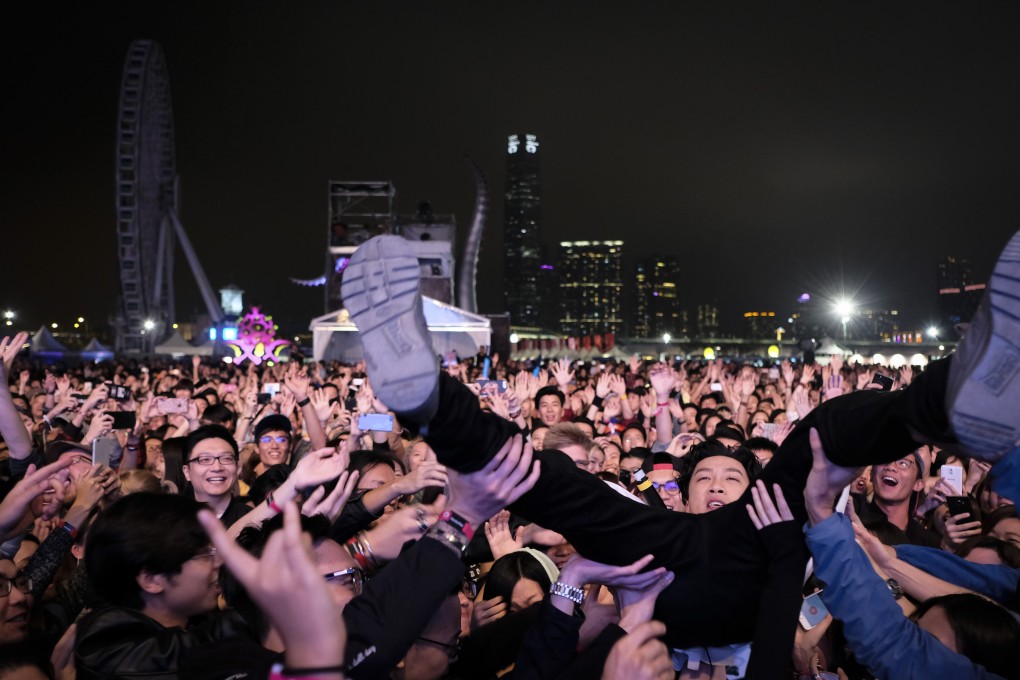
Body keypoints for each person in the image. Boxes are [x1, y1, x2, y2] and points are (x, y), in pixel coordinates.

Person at [340, 229, 1020, 678]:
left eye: (733, 473)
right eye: (709, 476)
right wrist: (580, 585)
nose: (720, 482)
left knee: (824, 432)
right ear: (685, 491)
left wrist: (786, 554)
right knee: (541, 474)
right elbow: (498, 656)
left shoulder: (776, 542)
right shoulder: (648, 532)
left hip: (748, 547)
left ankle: (948, 403)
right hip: (658, 553)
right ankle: (428, 395)